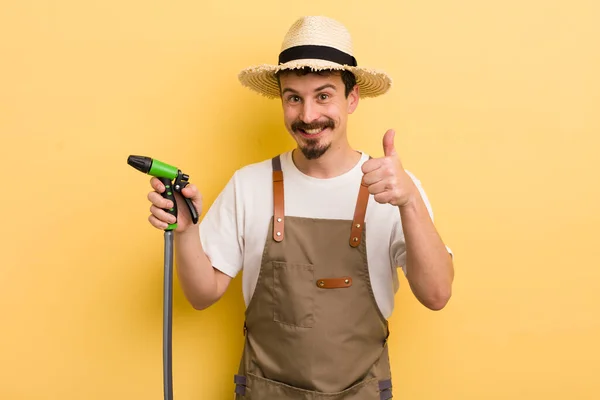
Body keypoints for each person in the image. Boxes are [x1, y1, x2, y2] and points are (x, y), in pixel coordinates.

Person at [146, 15, 454, 399]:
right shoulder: (249, 185)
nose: (308, 116)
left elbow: (437, 294)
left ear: (352, 98)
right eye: (294, 98)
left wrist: (409, 202)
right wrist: (187, 229)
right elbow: (202, 294)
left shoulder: (393, 187)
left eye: (323, 95)